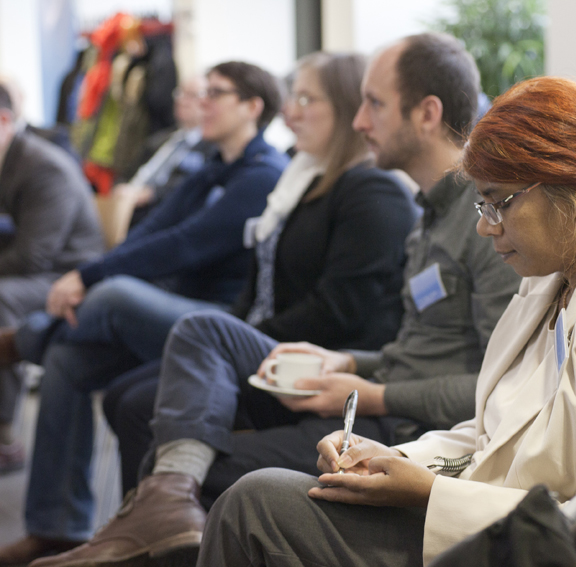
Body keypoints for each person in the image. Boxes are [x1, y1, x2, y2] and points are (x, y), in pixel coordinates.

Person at [196, 75, 576, 567]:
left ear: (570, 188)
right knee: (258, 498)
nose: (486, 228)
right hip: (487, 524)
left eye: (497, 203)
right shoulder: (554, 281)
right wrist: (397, 460)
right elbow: (495, 434)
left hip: (524, 549)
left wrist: (429, 494)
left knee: (257, 503)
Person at [34, 33, 521, 567]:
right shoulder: (426, 216)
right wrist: (347, 363)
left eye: (373, 104)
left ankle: (149, 512)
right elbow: (411, 349)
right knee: (199, 332)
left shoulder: (481, 223)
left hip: (401, 428)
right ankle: (154, 513)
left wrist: (368, 391)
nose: (361, 122)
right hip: (369, 389)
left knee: (138, 372)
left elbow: (493, 389)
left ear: (427, 113)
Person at [0, 61, 287, 566]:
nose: (202, 103)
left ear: (251, 107)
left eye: (215, 93)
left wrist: (90, 278)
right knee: (67, 361)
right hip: (172, 309)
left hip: (220, 325)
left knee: (111, 297)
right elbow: (151, 233)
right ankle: (57, 529)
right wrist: (97, 272)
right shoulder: (211, 165)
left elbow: (184, 246)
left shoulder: (262, 174)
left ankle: (23, 340)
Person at [0, 82, 103, 472]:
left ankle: (4, 434)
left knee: (2, 297)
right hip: (40, 267)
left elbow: (32, 256)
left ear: (4, 121)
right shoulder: (8, 158)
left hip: (70, 273)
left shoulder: (42, 167)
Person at [113, 76, 217, 225]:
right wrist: (120, 188)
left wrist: (149, 193)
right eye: (180, 93)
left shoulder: (211, 149)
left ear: (208, 103)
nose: (182, 100)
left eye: (192, 95)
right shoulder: (160, 139)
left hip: (156, 218)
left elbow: (189, 188)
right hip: (122, 210)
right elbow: (126, 173)